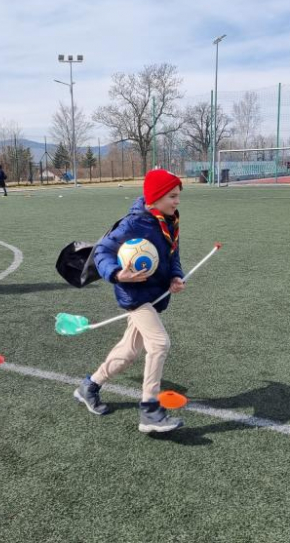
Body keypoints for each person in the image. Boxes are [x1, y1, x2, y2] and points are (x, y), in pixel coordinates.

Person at [74, 169, 186, 433]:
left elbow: (173, 254)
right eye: (172, 196)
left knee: (128, 352)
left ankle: (89, 386)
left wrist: (176, 276)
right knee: (159, 343)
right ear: (156, 197)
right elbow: (102, 250)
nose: (177, 201)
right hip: (134, 295)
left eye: (179, 196)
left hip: (154, 294)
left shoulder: (169, 220)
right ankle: (150, 411)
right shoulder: (133, 223)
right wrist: (116, 273)